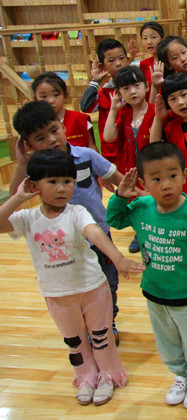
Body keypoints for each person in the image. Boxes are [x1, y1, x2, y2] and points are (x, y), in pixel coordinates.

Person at [0, 149, 143, 405]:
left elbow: (94, 233)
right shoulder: (28, 218)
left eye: (67, 181)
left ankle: (108, 374)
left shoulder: (77, 212)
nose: (61, 188)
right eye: (52, 181)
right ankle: (86, 376)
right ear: (34, 185)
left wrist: (117, 258)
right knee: (74, 341)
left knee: (101, 336)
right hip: (57, 295)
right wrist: (18, 198)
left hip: (92, 289)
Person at [105, 142, 187, 410]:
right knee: (167, 341)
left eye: (172, 176)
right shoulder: (141, 207)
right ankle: (180, 375)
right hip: (155, 294)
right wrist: (120, 196)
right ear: (143, 182)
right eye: (156, 179)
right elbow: (115, 220)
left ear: (184, 175)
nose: (166, 185)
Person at [10, 101, 126, 343]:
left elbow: (120, 181)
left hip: (97, 235)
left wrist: (143, 200)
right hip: (61, 243)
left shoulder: (86, 155)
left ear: (62, 126)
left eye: (54, 130)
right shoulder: (36, 169)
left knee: (108, 282)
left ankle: (107, 322)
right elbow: (14, 200)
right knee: (75, 287)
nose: (52, 140)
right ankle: (82, 326)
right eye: (41, 138)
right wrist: (21, 164)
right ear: (29, 145)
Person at [80, 39, 130, 162]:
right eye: (111, 60)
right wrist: (95, 80)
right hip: (113, 152)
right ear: (103, 66)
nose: (118, 63)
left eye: (122, 58)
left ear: (127, 60)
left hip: (135, 148)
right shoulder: (105, 93)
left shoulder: (137, 86)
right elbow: (86, 107)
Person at [103, 66, 155, 176]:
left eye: (137, 85)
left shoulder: (156, 113)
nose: (132, 92)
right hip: (129, 173)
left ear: (146, 86)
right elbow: (108, 137)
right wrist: (113, 110)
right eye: (126, 88)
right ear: (119, 94)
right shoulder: (124, 116)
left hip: (152, 172)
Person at [32, 72, 95, 150]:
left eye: (56, 95)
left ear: (65, 96)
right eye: (44, 96)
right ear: (35, 99)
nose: (51, 101)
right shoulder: (34, 125)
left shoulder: (79, 119)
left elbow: (92, 148)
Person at [133, 21, 164, 90]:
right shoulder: (143, 64)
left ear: (162, 39)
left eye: (153, 37)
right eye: (145, 38)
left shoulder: (170, 62)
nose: (149, 42)